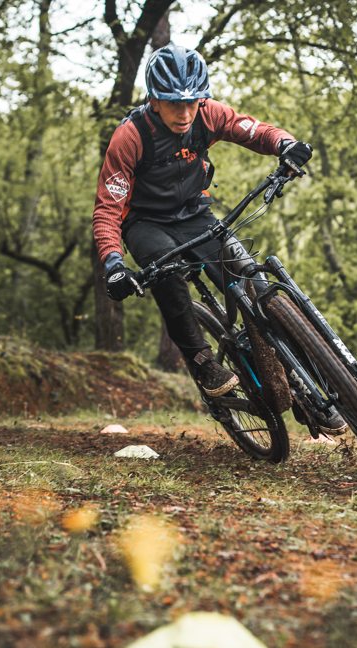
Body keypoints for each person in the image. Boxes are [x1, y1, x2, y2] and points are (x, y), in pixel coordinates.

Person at [92, 44, 314, 399]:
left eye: (192, 102)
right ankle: (203, 363)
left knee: (248, 274)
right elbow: (107, 208)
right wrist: (114, 264)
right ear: (154, 100)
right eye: (173, 103)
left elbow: (253, 130)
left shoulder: (209, 114)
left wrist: (285, 144)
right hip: (146, 223)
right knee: (166, 275)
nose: (184, 113)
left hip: (195, 213)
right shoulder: (130, 136)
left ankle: (297, 368)